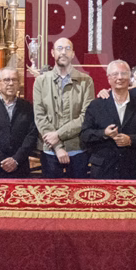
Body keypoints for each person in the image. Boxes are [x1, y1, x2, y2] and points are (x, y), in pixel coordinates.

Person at [80, 60, 136, 179]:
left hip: (134, 169)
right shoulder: (96, 105)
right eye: (115, 74)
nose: (120, 78)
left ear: (130, 77)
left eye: (124, 73)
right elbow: (84, 135)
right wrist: (104, 133)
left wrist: (131, 139)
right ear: (109, 78)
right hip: (103, 169)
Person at [33, 38, 94, 178]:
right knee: (51, 196)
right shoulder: (41, 81)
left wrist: (58, 135)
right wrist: (58, 147)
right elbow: (40, 116)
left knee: (78, 196)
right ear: (53, 53)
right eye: (59, 48)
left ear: (73, 54)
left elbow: (86, 116)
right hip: (50, 151)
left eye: (67, 49)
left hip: (77, 150)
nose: (63, 52)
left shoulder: (86, 81)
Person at [0, 67, 38, 178]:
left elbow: (32, 136)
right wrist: (2, 160)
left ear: (19, 84)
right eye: (6, 80)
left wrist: (16, 160)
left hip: (20, 168)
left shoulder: (27, 107)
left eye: (14, 80)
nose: (10, 83)